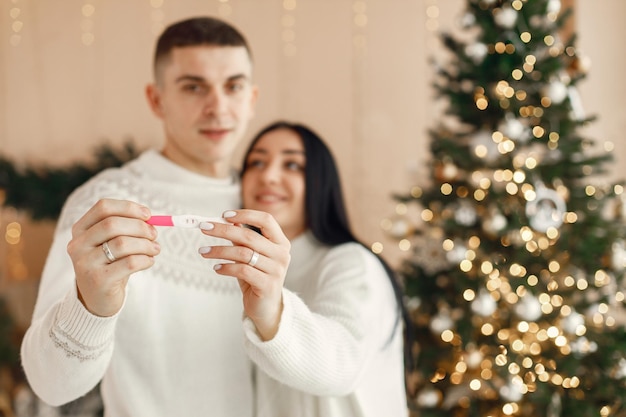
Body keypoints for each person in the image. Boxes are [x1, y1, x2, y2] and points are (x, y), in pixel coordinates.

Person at [19, 16, 273, 417]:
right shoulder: (104, 206)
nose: (218, 107)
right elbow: (50, 384)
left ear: (253, 98)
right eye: (194, 87)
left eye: (234, 86)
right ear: (156, 100)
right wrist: (89, 304)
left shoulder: (272, 203)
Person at [198, 121, 415, 416]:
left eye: (292, 165)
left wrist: (272, 312)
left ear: (320, 181)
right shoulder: (244, 270)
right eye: (257, 162)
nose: (269, 176)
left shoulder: (351, 262)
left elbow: (343, 364)